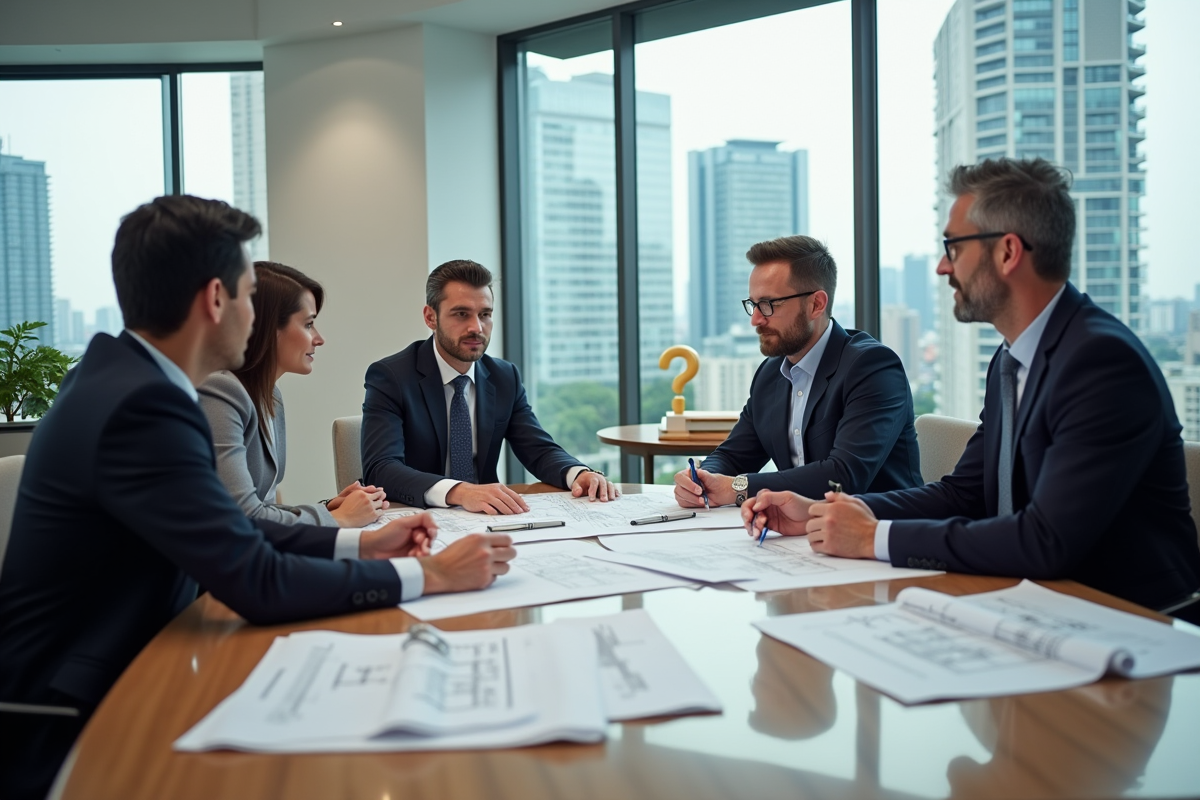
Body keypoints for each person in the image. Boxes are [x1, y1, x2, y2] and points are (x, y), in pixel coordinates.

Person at [0, 196, 515, 799]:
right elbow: (254, 578)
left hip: (134, 665)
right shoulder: (145, 407)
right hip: (76, 717)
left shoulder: (122, 378)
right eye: (249, 292)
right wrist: (429, 577)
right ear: (216, 300)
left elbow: (234, 534)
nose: (257, 312)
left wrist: (362, 543)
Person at [742, 159, 1200, 620]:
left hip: (1131, 621)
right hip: (1036, 605)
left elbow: (1048, 542)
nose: (943, 267)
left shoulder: (1100, 362)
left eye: (954, 247)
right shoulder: (1012, 357)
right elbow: (966, 494)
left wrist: (872, 537)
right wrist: (829, 512)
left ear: (1007, 253)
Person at [674, 235, 921, 509]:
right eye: (753, 305)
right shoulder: (771, 374)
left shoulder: (872, 367)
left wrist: (737, 487)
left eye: (768, 304)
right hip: (797, 536)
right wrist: (701, 479)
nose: (756, 319)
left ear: (816, 304)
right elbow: (733, 456)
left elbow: (843, 477)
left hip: (878, 537)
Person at [361, 259, 618, 514]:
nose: (476, 327)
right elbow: (381, 468)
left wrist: (578, 474)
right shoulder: (392, 376)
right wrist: (460, 491)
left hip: (484, 519)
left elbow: (538, 449)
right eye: (461, 314)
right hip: (415, 518)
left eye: (485, 314)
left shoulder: (504, 376)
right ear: (431, 317)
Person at [199, 261, 386, 527]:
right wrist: (334, 519)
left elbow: (262, 504)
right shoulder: (220, 390)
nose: (318, 338)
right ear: (266, 328)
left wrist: (328, 507)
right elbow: (241, 516)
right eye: (308, 324)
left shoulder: (269, 394)